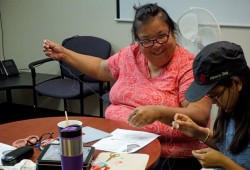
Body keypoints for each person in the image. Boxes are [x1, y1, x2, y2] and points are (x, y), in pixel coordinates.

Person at [43, 3, 212, 169]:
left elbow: (199, 115)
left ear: (173, 32)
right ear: (138, 41)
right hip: (119, 145)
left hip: (168, 157)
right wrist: (64, 54)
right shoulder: (130, 55)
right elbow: (101, 68)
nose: (156, 45)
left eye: (162, 36)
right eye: (146, 40)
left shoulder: (188, 66)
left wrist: (158, 112)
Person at [172, 41, 250, 170]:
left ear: (237, 83)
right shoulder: (233, 108)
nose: (214, 102)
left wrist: (223, 162)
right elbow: (230, 144)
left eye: (216, 95)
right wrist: (197, 131)